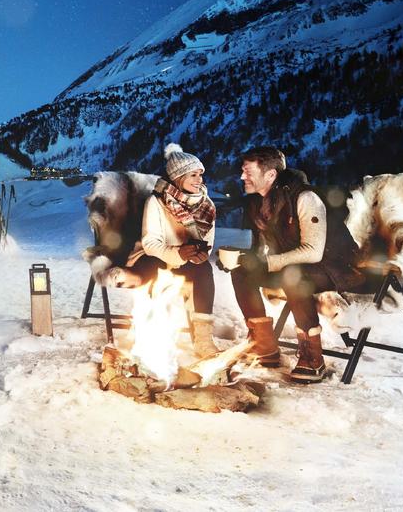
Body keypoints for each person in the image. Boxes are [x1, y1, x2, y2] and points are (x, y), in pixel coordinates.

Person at [226, 146, 362, 383]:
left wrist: (268, 263)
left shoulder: (305, 198)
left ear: (270, 175)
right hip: (297, 265)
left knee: (293, 273)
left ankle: (313, 358)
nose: (242, 177)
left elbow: (313, 252)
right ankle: (264, 346)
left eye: (248, 172)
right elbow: (262, 249)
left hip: (337, 268)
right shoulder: (257, 203)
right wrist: (244, 259)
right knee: (241, 273)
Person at [117, 143, 219, 358]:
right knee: (153, 267)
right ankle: (153, 333)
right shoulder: (157, 201)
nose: (199, 180)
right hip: (153, 258)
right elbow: (151, 244)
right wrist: (179, 254)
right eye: (193, 175)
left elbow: (207, 242)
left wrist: (201, 255)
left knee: (204, 271)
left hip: (185, 261)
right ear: (178, 177)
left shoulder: (206, 205)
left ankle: (203, 339)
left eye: (200, 174)